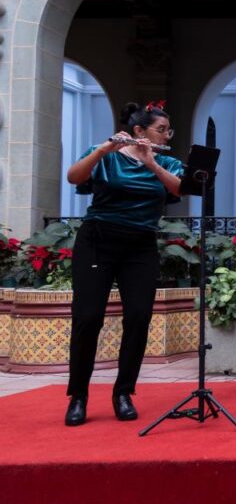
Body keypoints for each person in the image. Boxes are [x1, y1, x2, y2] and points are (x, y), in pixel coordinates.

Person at [64, 100, 184, 426]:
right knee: (88, 317)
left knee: (139, 316)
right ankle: (78, 395)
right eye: (160, 130)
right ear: (138, 131)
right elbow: (74, 177)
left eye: (166, 131)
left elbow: (181, 190)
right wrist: (103, 149)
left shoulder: (169, 163)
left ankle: (123, 392)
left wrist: (151, 163)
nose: (164, 135)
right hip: (98, 240)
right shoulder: (107, 156)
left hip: (140, 245)